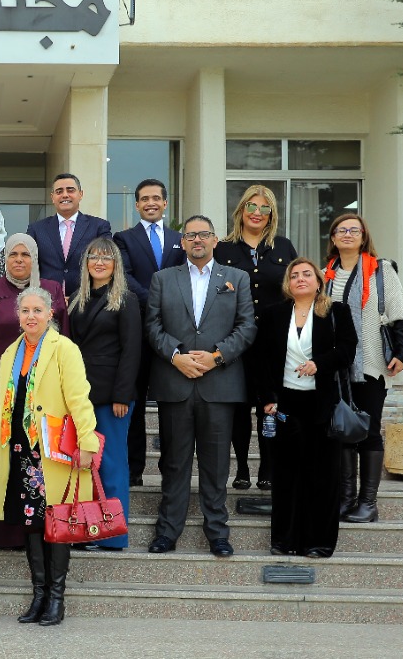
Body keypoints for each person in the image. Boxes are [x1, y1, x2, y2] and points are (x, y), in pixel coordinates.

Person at [144, 215, 255, 558]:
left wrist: (216, 357)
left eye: (203, 235)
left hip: (219, 385)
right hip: (175, 382)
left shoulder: (236, 278)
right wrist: (175, 356)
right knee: (174, 463)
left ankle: (218, 533)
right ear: (183, 242)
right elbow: (152, 325)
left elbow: (247, 327)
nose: (197, 240)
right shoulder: (163, 279)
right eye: (190, 235)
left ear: (214, 240)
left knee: (216, 464)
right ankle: (167, 532)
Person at [0, 287, 98, 627]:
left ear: (50, 314)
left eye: (38, 310)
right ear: (17, 315)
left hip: (53, 452)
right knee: (31, 523)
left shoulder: (64, 348)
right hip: (19, 450)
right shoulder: (10, 352)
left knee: (58, 523)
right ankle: (39, 595)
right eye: (25, 311)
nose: (31, 316)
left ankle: (56, 598)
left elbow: (79, 398)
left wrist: (87, 442)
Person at [0, 233, 68, 550]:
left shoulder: (51, 290)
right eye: (13, 254)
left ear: (35, 259)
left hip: (44, 394)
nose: (19, 260)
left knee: (38, 463)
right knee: (1, 461)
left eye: (26, 255)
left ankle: (41, 535)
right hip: (2, 393)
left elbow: (65, 341)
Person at [257, 258, 357, 558]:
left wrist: (319, 364)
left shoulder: (336, 311)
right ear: (287, 284)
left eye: (306, 274)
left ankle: (319, 542)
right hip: (285, 403)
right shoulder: (274, 314)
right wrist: (267, 398)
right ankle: (284, 541)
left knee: (323, 476)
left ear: (318, 281)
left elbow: (347, 350)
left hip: (322, 403)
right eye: (294, 275)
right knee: (286, 475)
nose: (300, 279)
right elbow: (261, 360)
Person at [323, 214, 403, 524]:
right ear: (333, 238)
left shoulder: (381, 270)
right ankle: (346, 500)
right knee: (342, 429)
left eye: (354, 230)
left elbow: (398, 313)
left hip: (371, 364)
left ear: (363, 237)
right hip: (336, 369)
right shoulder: (325, 275)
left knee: (369, 430)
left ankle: (368, 503)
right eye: (341, 230)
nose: (347, 234)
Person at [215, 184, 298, 491]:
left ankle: (267, 467)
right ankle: (241, 468)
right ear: (241, 210)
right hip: (235, 341)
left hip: (274, 342)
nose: (257, 213)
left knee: (269, 406)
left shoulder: (283, 247)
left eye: (265, 208)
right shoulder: (222, 249)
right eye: (252, 206)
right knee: (239, 407)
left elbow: (296, 290)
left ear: (272, 215)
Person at [66, 236, 141, 550]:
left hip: (112, 396)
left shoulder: (126, 299)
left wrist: (122, 395)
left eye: (106, 258)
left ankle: (113, 535)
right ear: (86, 263)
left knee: (111, 463)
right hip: (79, 393)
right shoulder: (76, 298)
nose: (99, 262)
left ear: (115, 264)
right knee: (82, 463)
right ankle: (86, 529)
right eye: (94, 257)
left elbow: (132, 350)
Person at [113, 178, 185, 486]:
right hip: (137, 331)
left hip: (173, 332)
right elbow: (124, 275)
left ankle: (172, 469)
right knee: (136, 403)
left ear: (165, 203)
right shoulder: (123, 238)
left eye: (156, 198)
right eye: (145, 199)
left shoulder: (180, 239)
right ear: (137, 204)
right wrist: (157, 300)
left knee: (172, 405)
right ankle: (135, 470)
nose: (151, 203)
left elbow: (186, 275)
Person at [26, 173, 112, 296]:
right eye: (59, 191)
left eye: (70, 190)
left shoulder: (99, 226)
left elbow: (107, 262)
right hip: (47, 300)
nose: (65, 195)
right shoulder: (36, 229)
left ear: (80, 194)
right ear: (52, 197)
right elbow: (29, 265)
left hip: (87, 299)